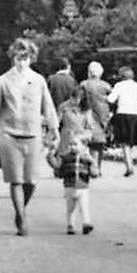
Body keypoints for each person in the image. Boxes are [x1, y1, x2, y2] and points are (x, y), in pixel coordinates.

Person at [0, 37, 59, 237]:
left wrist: (54, 129)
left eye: (25, 58)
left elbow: (48, 106)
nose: (22, 62)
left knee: (32, 180)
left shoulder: (39, 80)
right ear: (13, 58)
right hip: (9, 134)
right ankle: (21, 217)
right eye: (18, 58)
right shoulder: (3, 80)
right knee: (16, 179)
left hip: (33, 134)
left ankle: (22, 208)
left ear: (31, 59)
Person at [53, 90, 97, 236]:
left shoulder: (87, 111)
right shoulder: (63, 107)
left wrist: (83, 137)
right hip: (67, 139)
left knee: (82, 164)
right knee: (67, 164)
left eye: (78, 99)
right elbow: (56, 124)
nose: (75, 101)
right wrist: (54, 140)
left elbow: (90, 129)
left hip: (81, 142)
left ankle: (85, 222)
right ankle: (68, 183)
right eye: (73, 98)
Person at [108, 65, 137, 176]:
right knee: (131, 142)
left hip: (123, 114)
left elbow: (111, 99)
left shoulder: (119, 85)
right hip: (135, 114)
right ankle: (130, 162)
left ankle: (129, 167)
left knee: (124, 143)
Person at [78, 61, 112, 173]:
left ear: (89, 72)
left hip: (88, 114)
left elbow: (79, 100)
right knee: (99, 143)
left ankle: (93, 167)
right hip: (103, 115)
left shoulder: (83, 84)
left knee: (91, 142)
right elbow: (111, 100)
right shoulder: (106, 85)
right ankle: (97, 167)